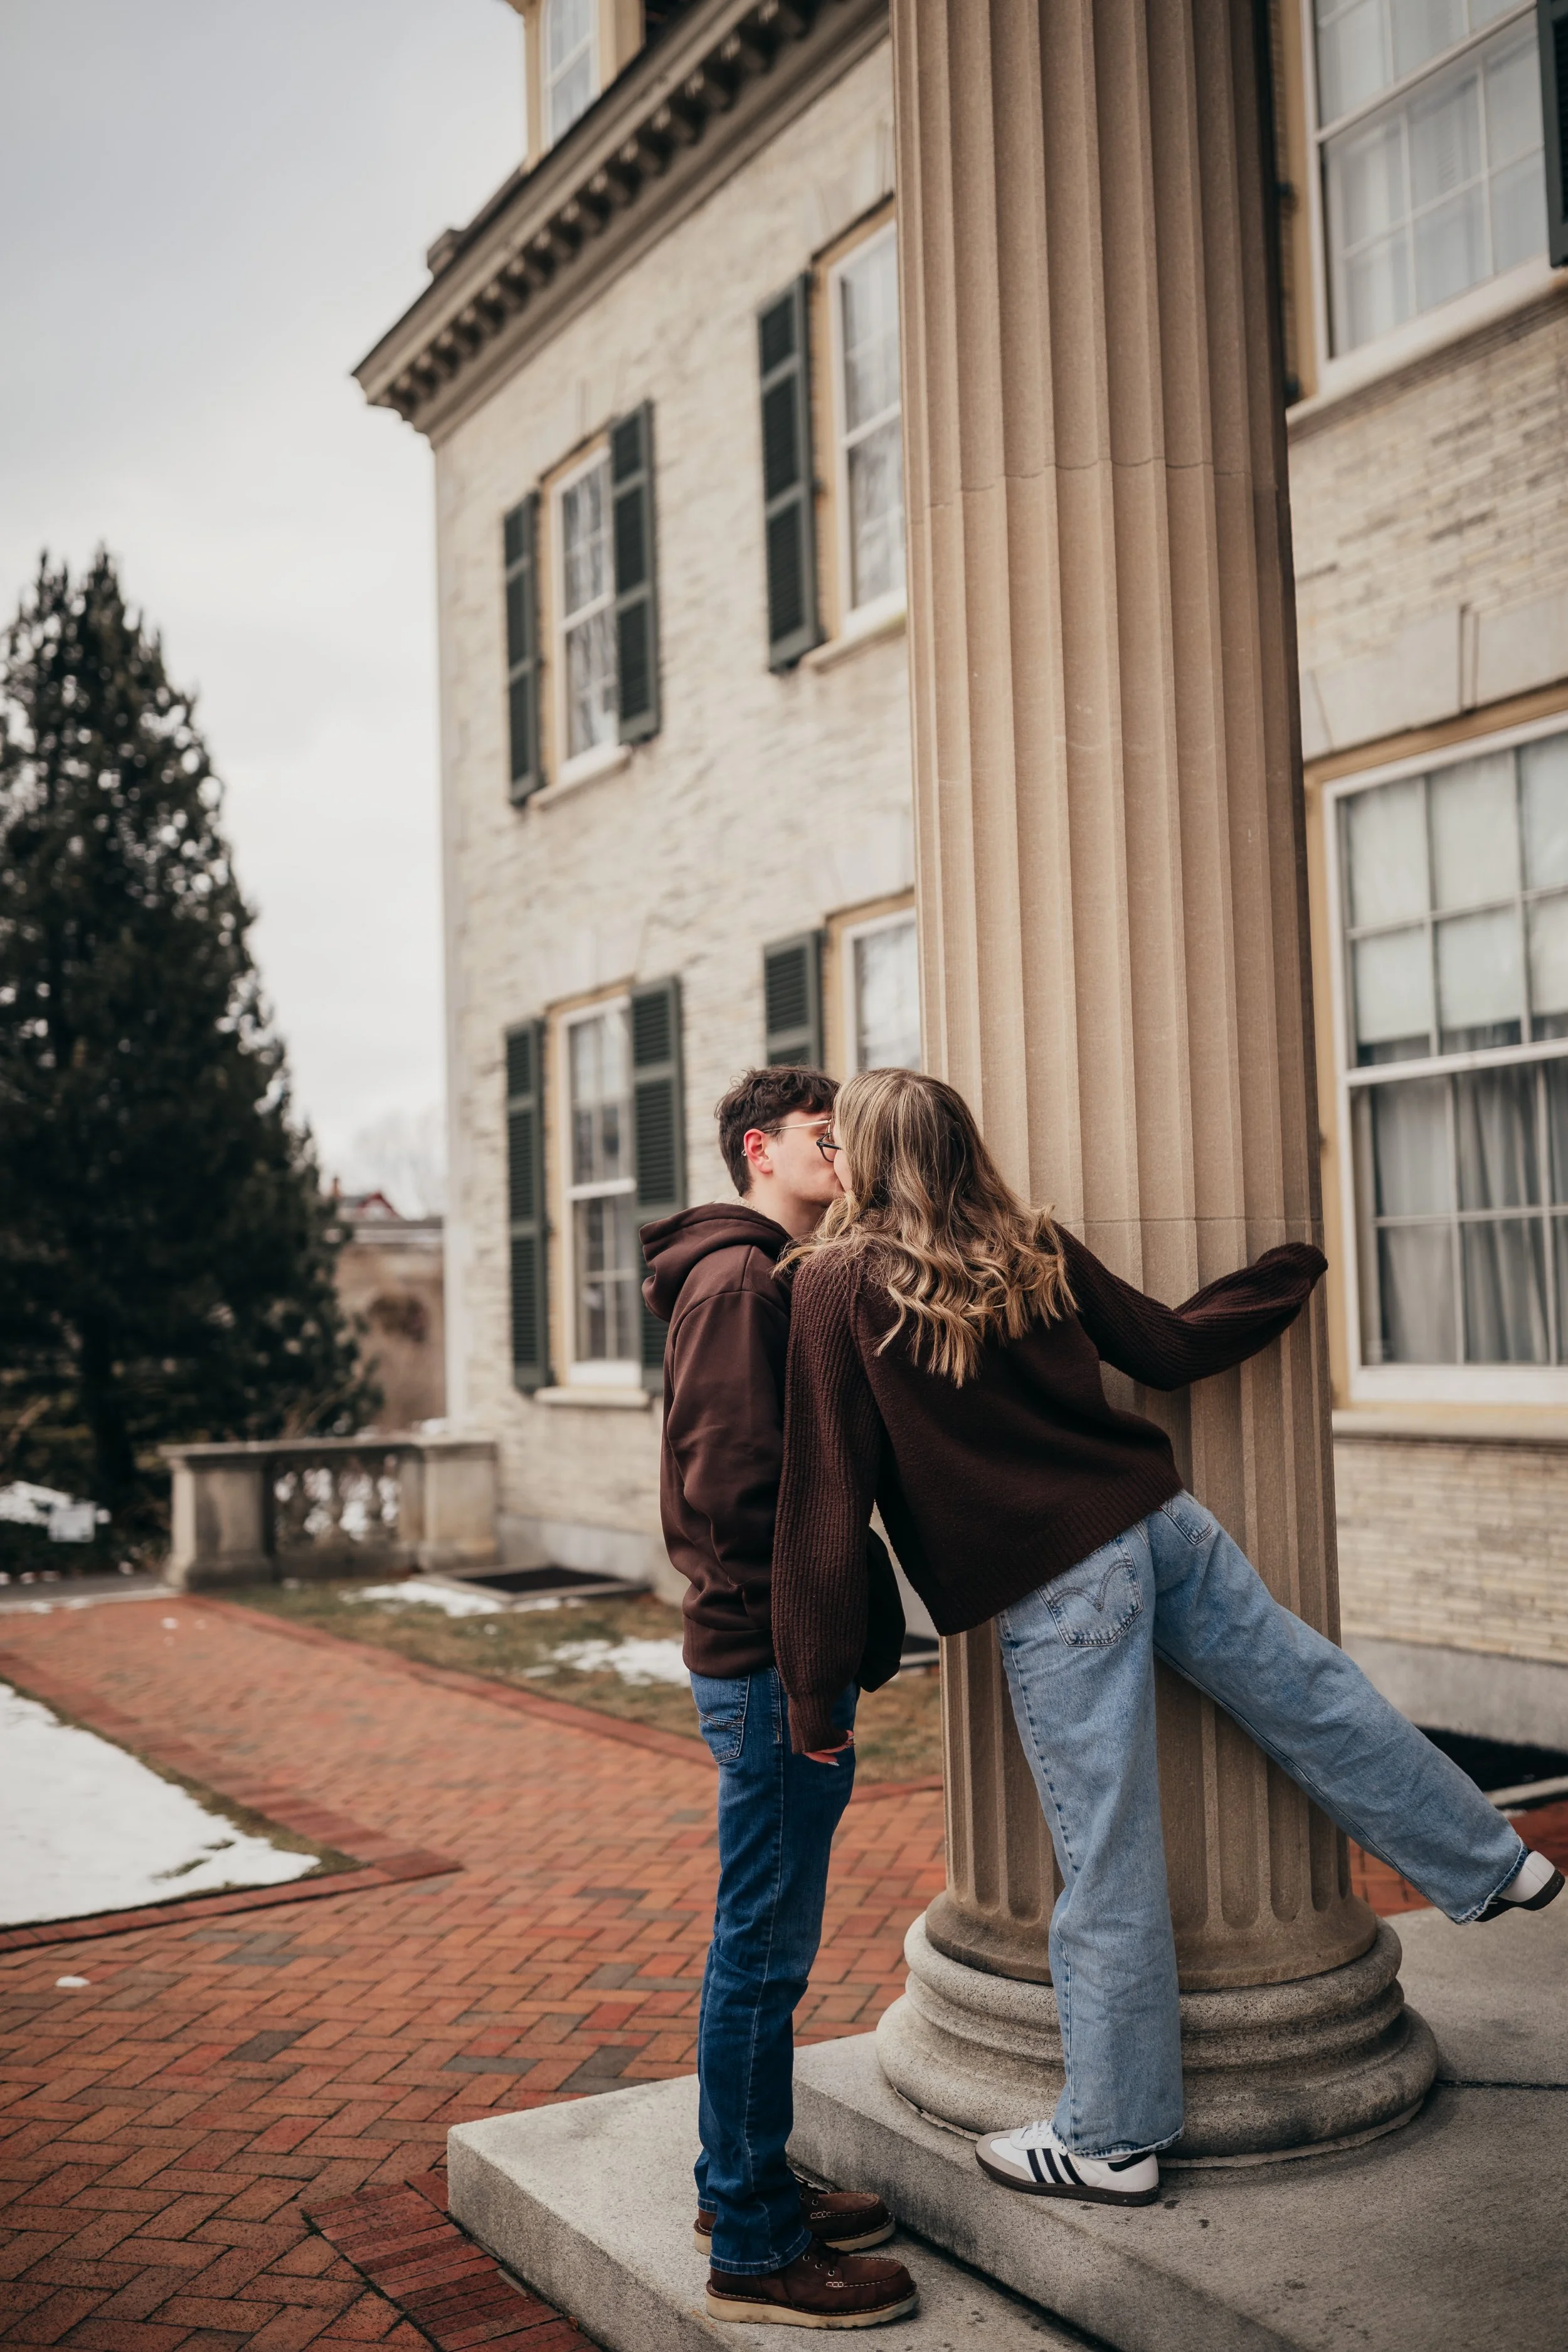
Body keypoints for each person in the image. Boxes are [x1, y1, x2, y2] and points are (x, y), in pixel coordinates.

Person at [771, 1067, 1563, 2206]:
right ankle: (1497, 1862)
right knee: (1312, 1690)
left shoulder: (836, 1280)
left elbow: (823, 1495)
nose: (833, 1163)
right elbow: (1170, 1347)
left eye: (843, 1144)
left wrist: (813, 1683)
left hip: (1060, 1587)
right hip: (1160, 1524)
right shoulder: (1030, 1241)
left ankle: (1113, 2137)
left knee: (1108, 1850)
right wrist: (1286, 1272)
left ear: (871, 1158)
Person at [640, 1066, 916, 2329]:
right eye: (821, 1134)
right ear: (759, 1148)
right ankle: (753, 2246)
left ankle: (732, 2183)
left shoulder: (766, 1274)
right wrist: (807, 1667)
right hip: (764, 1670)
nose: (843, 1149)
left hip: (764, 1663)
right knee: (760, 1956)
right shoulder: (738, 1282)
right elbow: (736, 1490)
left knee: (760, 1950)